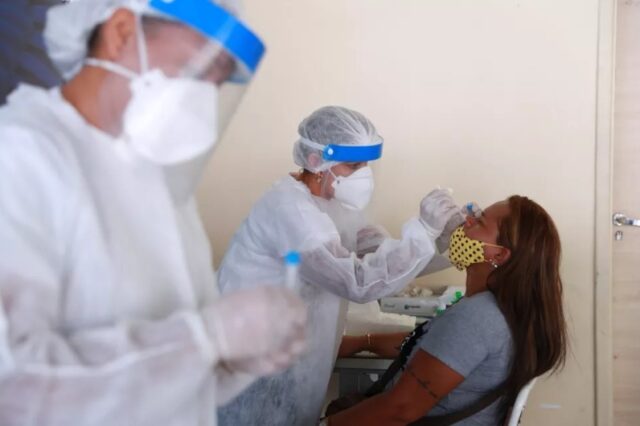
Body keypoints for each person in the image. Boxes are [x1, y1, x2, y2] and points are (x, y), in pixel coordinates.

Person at [0, 1, 307, 425]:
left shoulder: (160, 184)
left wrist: (233, 360)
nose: (205, 95)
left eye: (218, 82)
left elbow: (175, 381)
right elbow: (14, 388)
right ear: (121, 31)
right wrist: (207, 338)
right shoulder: (20, 155)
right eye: (201, 70)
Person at [217, 106, 463, 426]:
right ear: (316, 160)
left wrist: (444, 240)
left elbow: (382, 257)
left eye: (366, 165)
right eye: (354, 165)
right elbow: (358, 282)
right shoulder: (291, 211)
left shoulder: (335, 204)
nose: (364, 175)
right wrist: (423, 231)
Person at [324, 195, 568, 426]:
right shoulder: (498, 310)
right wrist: (364, 342)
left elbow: (400, 409)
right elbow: (432, 345)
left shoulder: (477, 318)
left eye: (479, 222)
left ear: (498, 254)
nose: (466, 221)